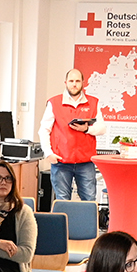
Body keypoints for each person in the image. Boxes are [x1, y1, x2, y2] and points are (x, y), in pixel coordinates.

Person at [40, 67, 106, 203]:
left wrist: (86, 129)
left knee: (89, 200)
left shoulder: (93, 102)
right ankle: (64, 225)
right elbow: (44, 129)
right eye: (71, 81)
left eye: (77, 81)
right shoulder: (54, 102)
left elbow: (102, 128)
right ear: (65, 83)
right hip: (61, 161)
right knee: (62, 201)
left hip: (85, 162)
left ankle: (87, 225)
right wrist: (48, 153)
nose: (74, 84)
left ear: (83, 82)